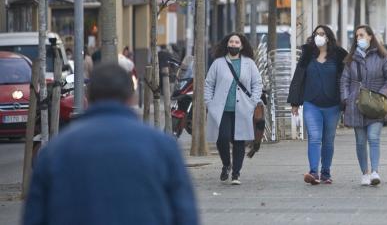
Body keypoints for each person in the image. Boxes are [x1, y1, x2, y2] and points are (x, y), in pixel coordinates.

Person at [22, 62, 198, 225]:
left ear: (87, 98)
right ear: (133, 98)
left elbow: (34, 217)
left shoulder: (54, 152)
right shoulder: (163, 147)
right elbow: (185, 215)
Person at [288, 25, 348, 185]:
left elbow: (346, 79)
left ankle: (326, 173)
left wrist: (346, 102)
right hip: (311, 103)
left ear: (328, 37)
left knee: (328, 140)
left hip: (332, 105)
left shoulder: (339, 55)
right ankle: (313, 172)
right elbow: (298, 77)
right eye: (316, 34)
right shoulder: (308, 54)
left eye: (322, 34)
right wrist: (295, 102)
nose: (318, 36)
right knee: (314, 138)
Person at [204, 32, 263, 185]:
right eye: (231, 42)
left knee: (239, 141)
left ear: (242, 45)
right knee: (222, 138)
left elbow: (257, 83)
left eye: (237, 42)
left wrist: (253, 101)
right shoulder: (218, 63)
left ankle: (236, 174)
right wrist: (209, 103)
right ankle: (226, 164)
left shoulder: (249, 63)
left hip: (243, 108)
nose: (234, 45)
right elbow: (209, 84)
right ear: (227, 44)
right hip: (222, 109)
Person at [341, 25, 387, 186]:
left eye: (362, 35)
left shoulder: (383, 56)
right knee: (360, 141)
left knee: (373, 137)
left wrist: (383, 93)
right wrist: (346, 98)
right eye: (357, 36)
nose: (359, 39)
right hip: (356, 103)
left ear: (371, 36)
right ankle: (365, 172)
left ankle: (375, 171)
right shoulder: (351, 59)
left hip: (376, 103)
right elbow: (344, 80)